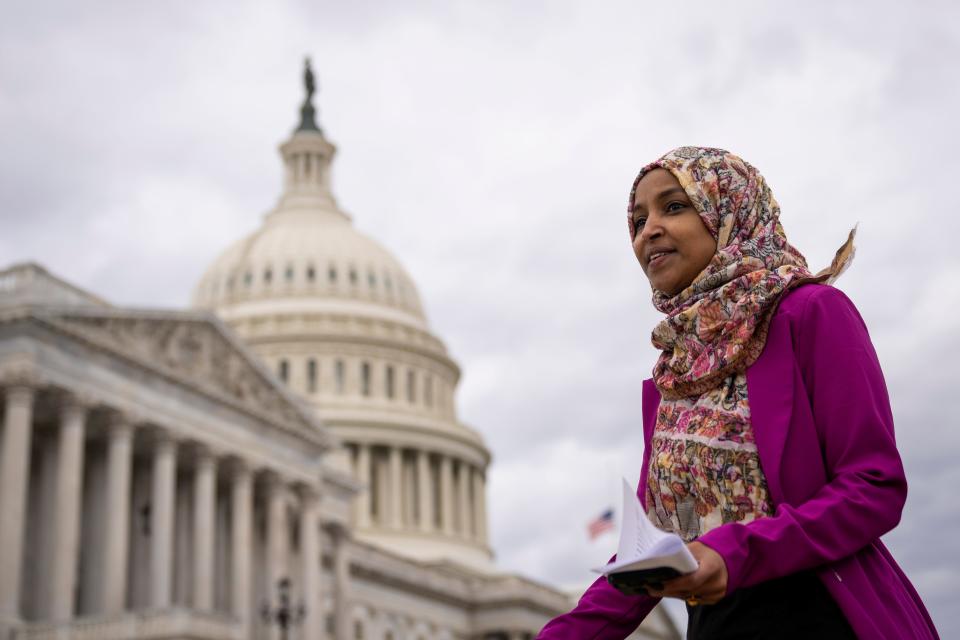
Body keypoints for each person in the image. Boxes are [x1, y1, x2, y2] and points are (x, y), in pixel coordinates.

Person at [538, 147, 939, 639]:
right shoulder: (674, 374)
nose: (649, 230)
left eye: (675, 206)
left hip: (824, 617)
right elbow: (651, 552)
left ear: (730, 211)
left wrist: (733, 554)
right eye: (638, 220)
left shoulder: (811, 313)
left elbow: (874, 486)